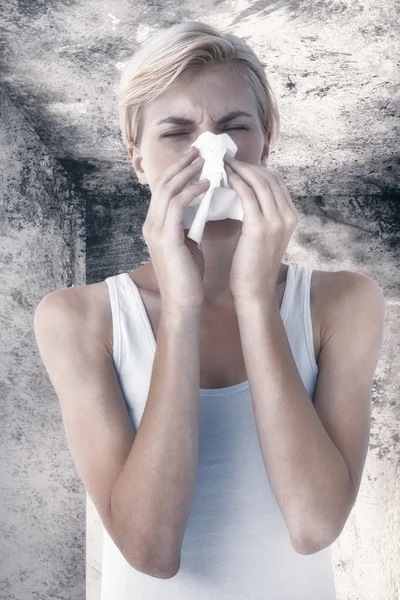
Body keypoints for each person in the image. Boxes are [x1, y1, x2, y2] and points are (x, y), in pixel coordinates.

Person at [33, 21, 386, 600]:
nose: (211, 155)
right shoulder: (78, 318)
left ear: (265, 143)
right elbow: (150, 549)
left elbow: (313, 525)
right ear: (138, 160)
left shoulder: (344, 302)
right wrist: (181, 306)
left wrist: (254, 299)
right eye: (177, 133)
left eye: (233, 129)